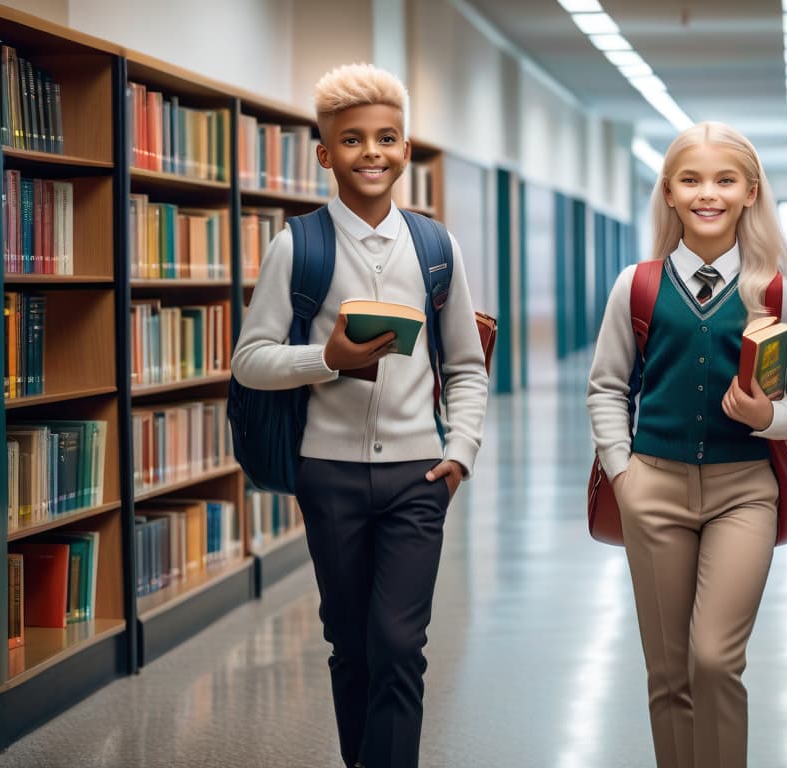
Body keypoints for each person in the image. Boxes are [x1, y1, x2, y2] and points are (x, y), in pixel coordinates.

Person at [231, 63, 489, 768]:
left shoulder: (436, 247)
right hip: (330, 477)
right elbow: (249, 360)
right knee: (352, 646)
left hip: (418, 475)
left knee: (401, 646)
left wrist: (460, 451)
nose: (372, 152)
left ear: (406, 148)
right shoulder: (299, 246)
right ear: (324, 154)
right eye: (352, 140)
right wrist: (327, 360)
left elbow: (465, 363)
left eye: (387, 138)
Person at [587, 121, 787, 768]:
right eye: (691, 180)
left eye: (725, 180)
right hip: (652, 487)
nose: (707, 193)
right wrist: (624, 475)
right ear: (668, 193)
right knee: (669, 674)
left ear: (751, 192)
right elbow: (607, 388)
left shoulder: (774, 292)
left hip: (745, 491)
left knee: (716, 659)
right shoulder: (636, 285)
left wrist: (767, 415)